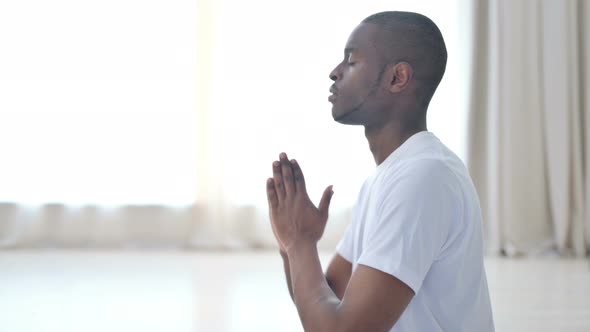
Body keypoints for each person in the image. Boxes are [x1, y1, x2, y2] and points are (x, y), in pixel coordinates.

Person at [265, 11, 494, 332]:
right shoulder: (383, 180)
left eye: (351, 61)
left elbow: (339, 329)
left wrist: (300, 243)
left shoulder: (424, 178)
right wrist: (291, 245)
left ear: (397, 78)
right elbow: (325, 299)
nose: (334, 73)